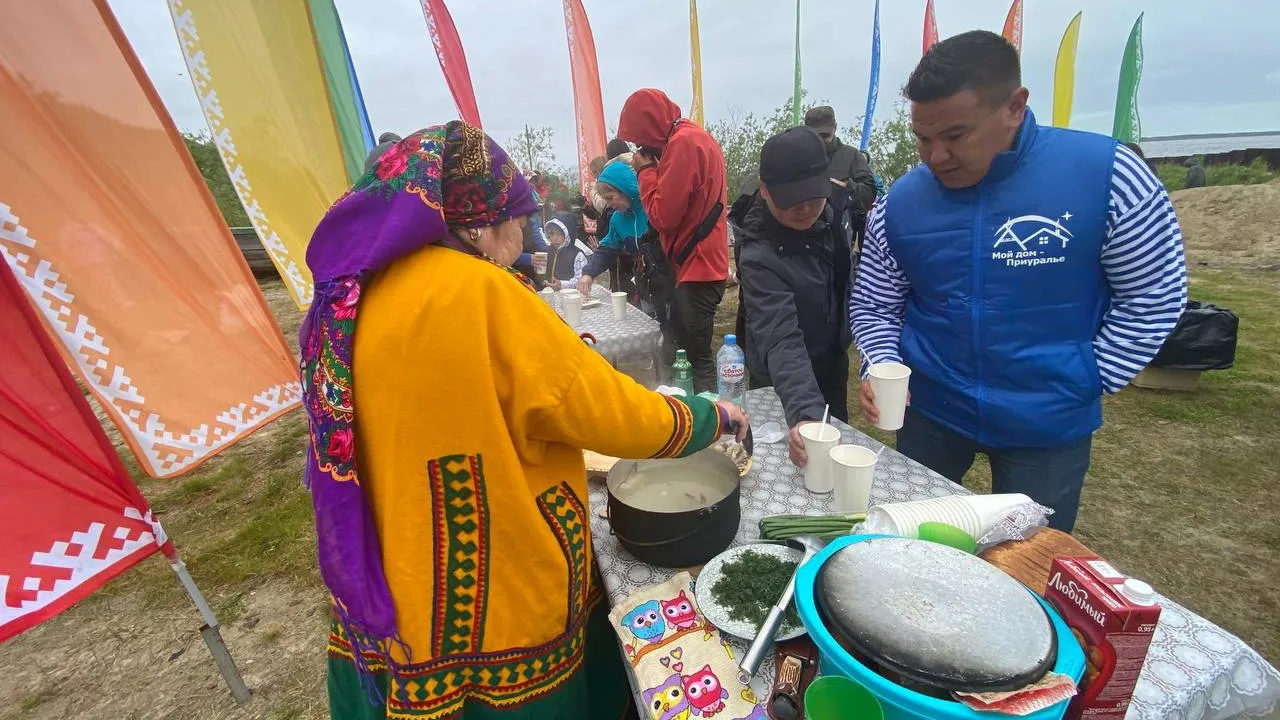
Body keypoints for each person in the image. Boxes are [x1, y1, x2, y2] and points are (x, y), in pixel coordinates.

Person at [302, 122, 749, 719]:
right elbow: (613, 415)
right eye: (516, 215)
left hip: (392, 579)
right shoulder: (483, 293)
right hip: (490, 581)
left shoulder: (353, 295)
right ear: (477, 221)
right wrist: (707, 414)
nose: (523, 230)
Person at [850, 31, 1187, 532]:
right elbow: (875, 303)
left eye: (956, 135)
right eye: (923, 138)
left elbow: (1155, 292)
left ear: (1014, 106)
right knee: (915, 545)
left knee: (1028, 558)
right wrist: (880, 363)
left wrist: (1091, 375)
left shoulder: (1109, 175)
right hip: (932, 412)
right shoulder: (900, 203)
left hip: (1048, 422)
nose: (935, 156)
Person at [736, 127, 853, 466]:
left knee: (836, 449)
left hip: (832, 358)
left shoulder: (838, 210)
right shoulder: (759, 252)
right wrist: (804, 413)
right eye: (792, 200)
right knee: (796, 457)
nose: (805, 209)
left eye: (813, 197)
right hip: (779, 374)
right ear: (765, 191)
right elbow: (780, 336)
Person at [618, 88, 730, 392]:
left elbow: (662, 216)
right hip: (698, 264)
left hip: (698, 267)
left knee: (694, 357)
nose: (642, 147)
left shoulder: (683, 144)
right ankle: (696, 416)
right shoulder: (691, 137)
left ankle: (710, 423)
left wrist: (645, 172)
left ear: (651, 126)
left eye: (641, 139)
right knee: (687, 352)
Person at [803, 106, 877, 248]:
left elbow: (870, 194)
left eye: (825, 135)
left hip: (838, 241)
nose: (821, 140)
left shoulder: (851, 155)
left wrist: (846, 188)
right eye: (815, 136)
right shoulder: (798, 155)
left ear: (835, 128)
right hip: (803, 239)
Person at [579, 158, 647, 300]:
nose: (609, 205)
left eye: (610, 198)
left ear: (625, 189)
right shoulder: (617, 218)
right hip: (646, 286)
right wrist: (588, 273)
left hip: (672, 285)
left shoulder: (651, 208)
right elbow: (606, 250)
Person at [543, 212, 589, 289]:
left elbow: (581, 279)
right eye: (552, 234)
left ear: (568, 234)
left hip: (569, 295)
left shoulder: (577, 254)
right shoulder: (546, 251)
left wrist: (562, 284)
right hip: (548, 293)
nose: (555, 238)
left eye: (560, 234)